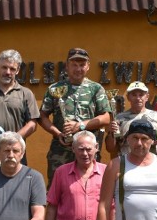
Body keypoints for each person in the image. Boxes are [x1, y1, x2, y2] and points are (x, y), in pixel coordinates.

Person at [38, 47, 111, 182]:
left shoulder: (96, 89)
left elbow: (106, 117)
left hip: (87, 152)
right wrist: (57, 133)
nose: (78, 69)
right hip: (61, 151)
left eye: (82, 65)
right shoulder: (55, 89)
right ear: (67, 66)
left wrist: (80, 126)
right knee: (57, 190)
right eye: (74, 65)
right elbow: (42, 117)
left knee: (89, 188)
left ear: (88, 66)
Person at [104, 80, 157, 156]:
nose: (138, 98)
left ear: (147, 97)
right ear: (128, 97)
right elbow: (110, 149)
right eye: (134, 95)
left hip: (151, 163)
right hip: (127, 163)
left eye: (141, 95)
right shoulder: (119, 118)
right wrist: (110, 133)